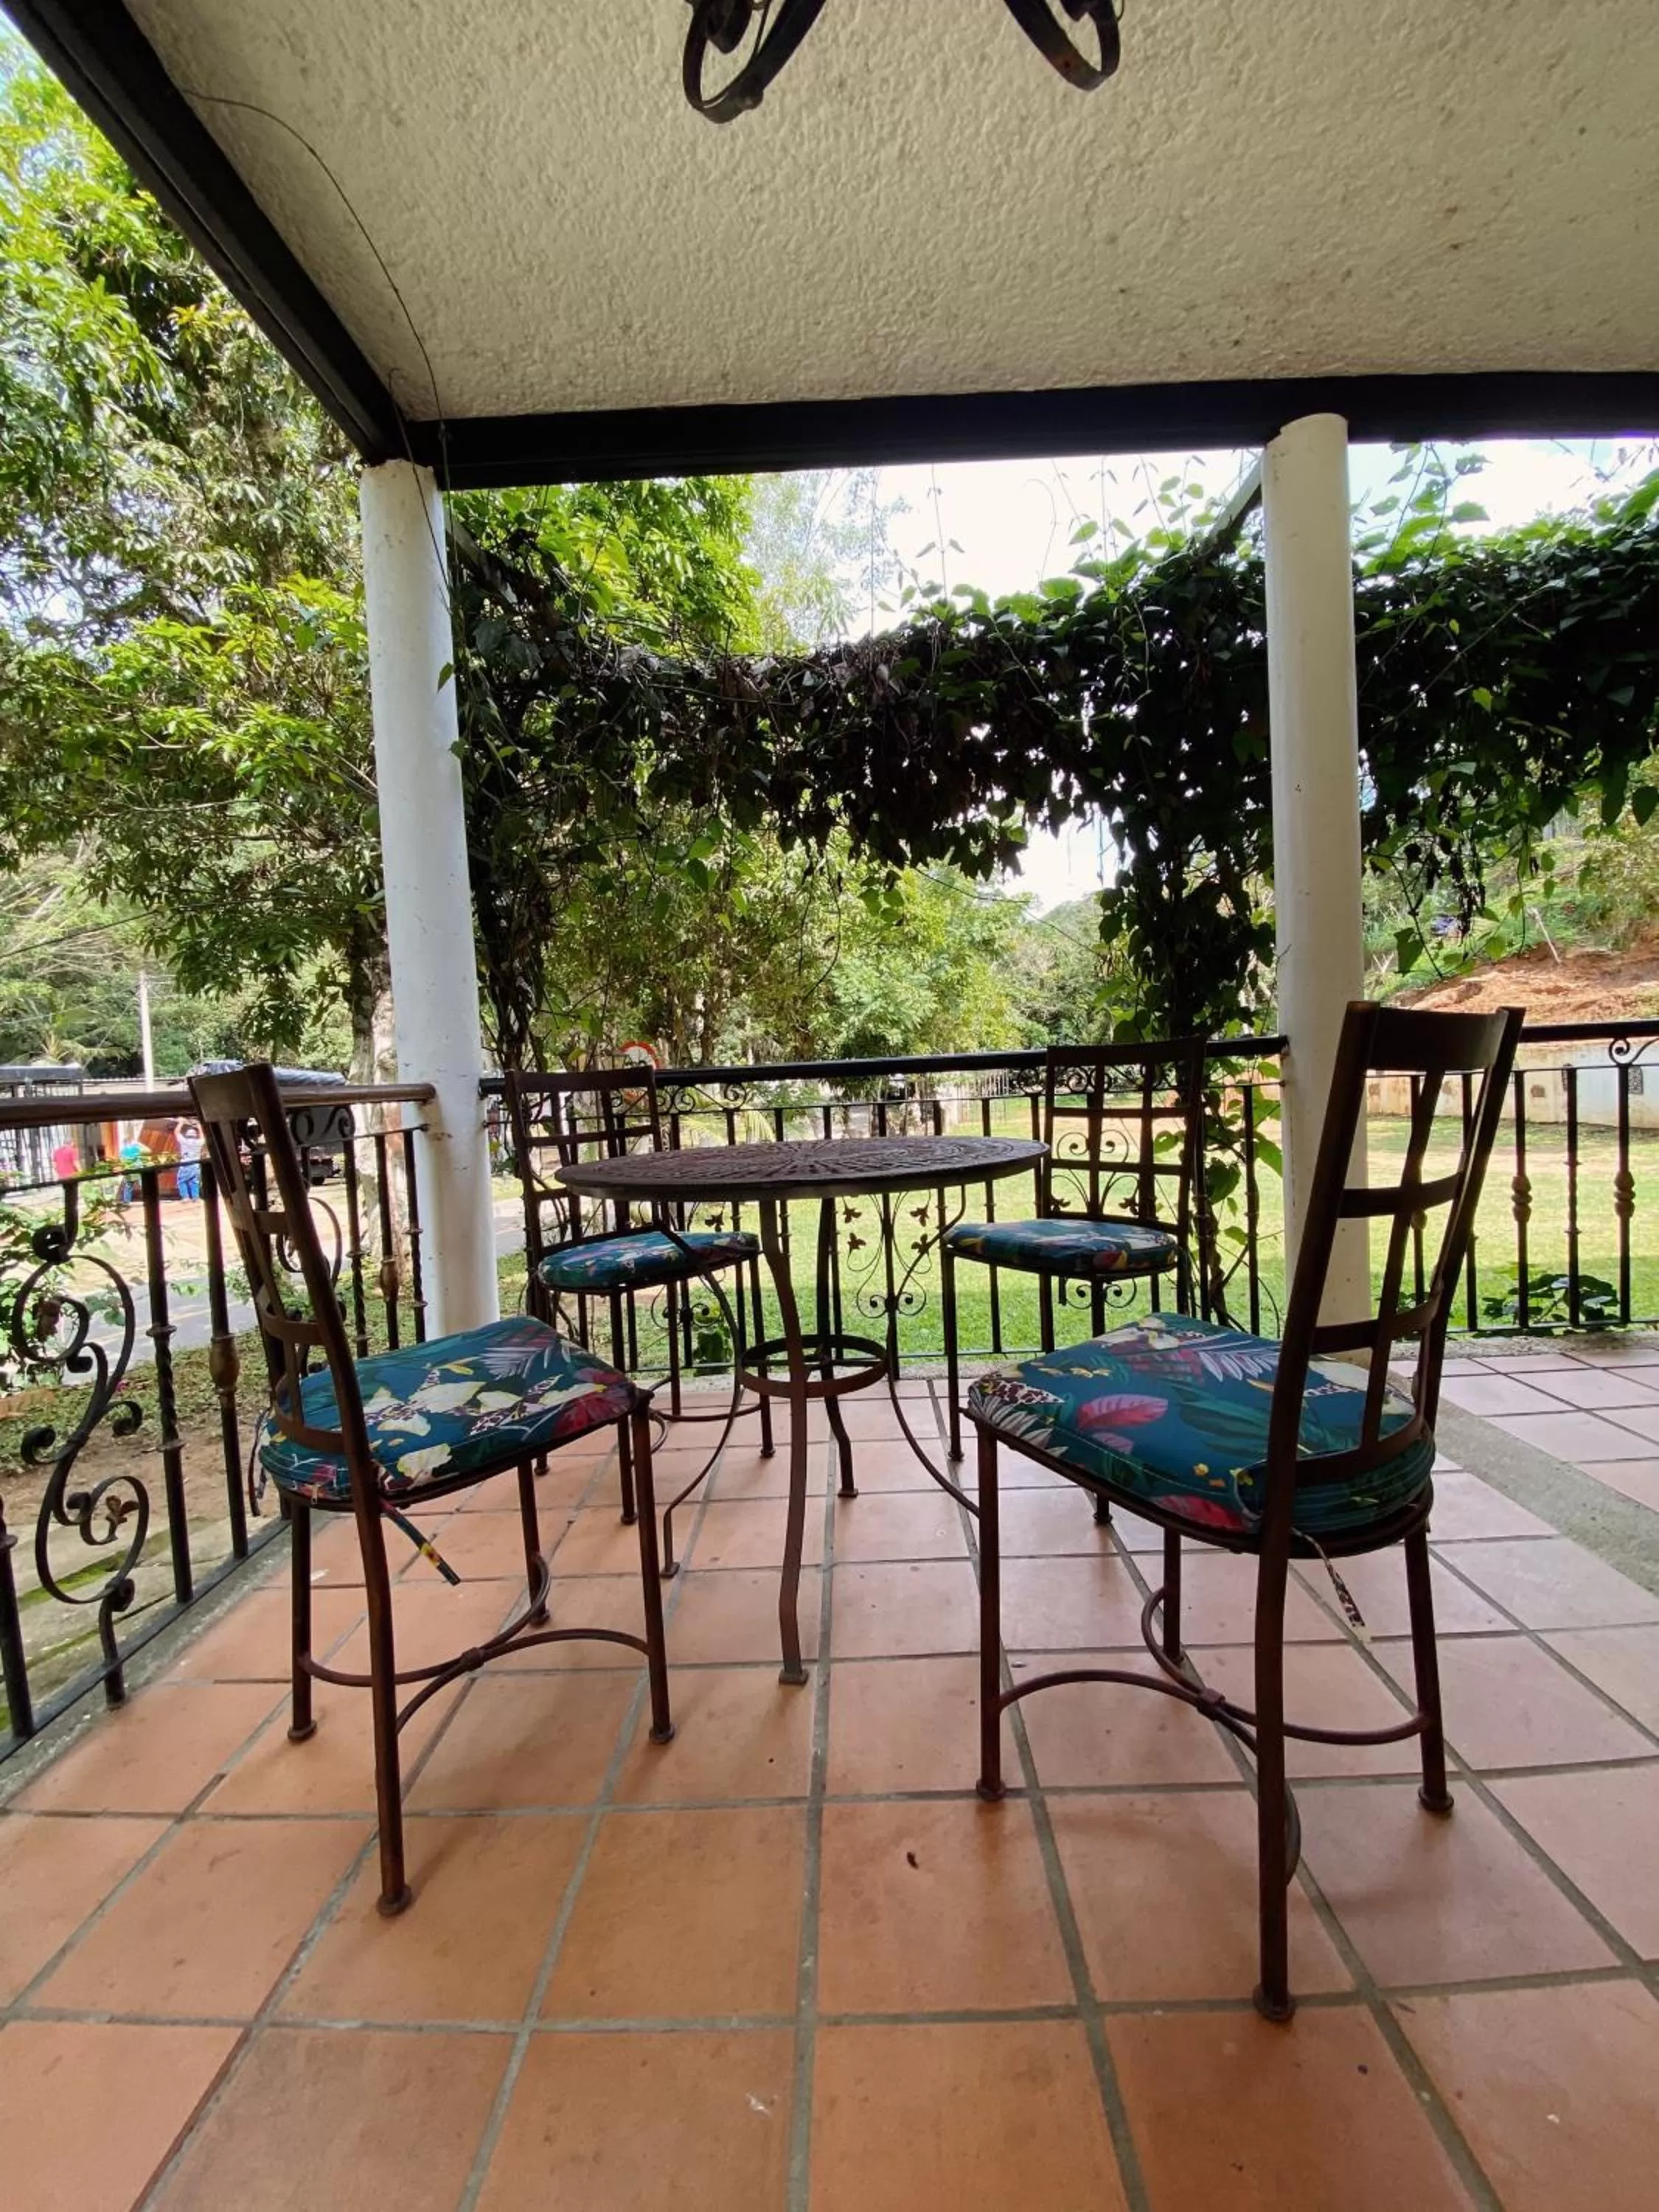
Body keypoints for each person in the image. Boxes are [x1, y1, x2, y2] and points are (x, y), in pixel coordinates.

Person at [175, 1119, 204, 1202]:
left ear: (187, 1135)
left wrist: (181, 1123)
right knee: (194, 1181)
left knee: (182, 1181)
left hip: (185, 1164)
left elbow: (176, 1132)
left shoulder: (184, 1141)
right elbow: (202, 1137)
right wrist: (199, 1126)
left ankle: (186, 1197)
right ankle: (196, 1198)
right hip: (196, 1165)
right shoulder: (199, 1143)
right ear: (195, 1136)